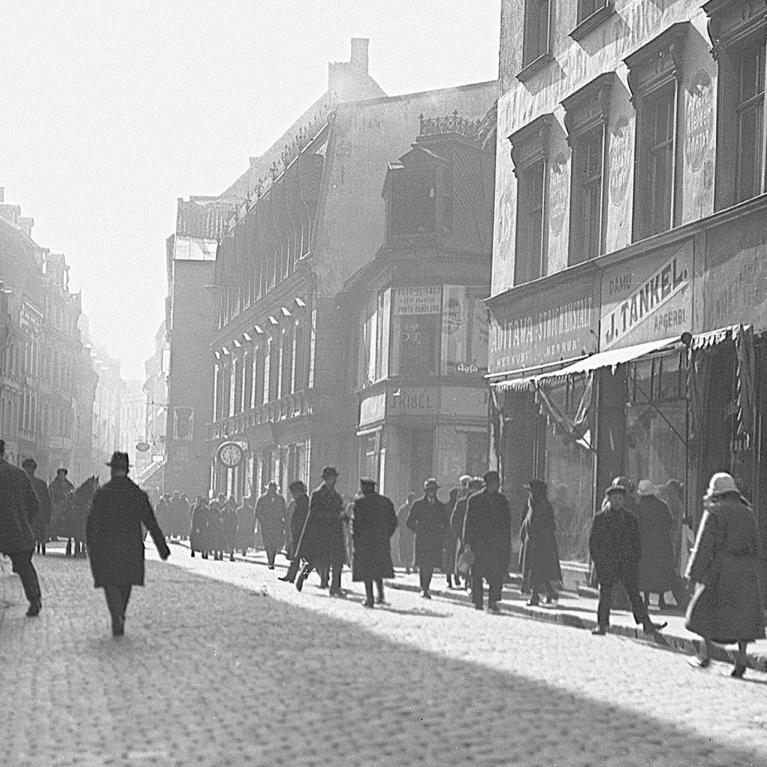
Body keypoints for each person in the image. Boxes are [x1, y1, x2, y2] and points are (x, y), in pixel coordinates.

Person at [685, 472, 764, 677]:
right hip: (745, 571)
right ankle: (741, 659)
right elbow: (757, 546)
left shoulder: (714, 512)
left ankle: (705, 653)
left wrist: (693, 574)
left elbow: (704, 546)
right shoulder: (748, 512)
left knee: (702, 611)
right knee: (744, 618)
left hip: (721, 570)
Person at [85, 452, 170, 637]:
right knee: (125, 583)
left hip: (106, 548)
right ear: (127, 470)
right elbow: (151, 522)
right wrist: (162, 548)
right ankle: (120, 613)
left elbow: (92, 522)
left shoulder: (102, 493)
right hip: (130, 548)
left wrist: (90, 545)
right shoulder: (137, 494)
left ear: (112, 470)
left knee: (110, 583)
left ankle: (117, 615)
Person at [588, 478, 667, 636]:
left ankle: (647, 624)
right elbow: (593, 543)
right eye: (614, 499)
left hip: (626, 564)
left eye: (620, 499)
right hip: (607, 564)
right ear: (608, 500)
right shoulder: (600, 518)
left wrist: (634, 561)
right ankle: (602, 625)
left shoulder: (630, 519)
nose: (617, 502)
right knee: (605, 596)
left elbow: (636, 542)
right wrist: (600, 562)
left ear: (623, 500)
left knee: (634, 596)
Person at [0, 440, 42, 616]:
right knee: (24, 565)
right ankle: (35, 600)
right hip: (17, 530)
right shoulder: (18, 474)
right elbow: (34, 504)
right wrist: (23, 521)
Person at [463, 470, 511, 612]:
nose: (495, 486)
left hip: (496, 544)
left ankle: (493, 601)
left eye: (497, 484)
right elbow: (468, 522)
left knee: (496, 574)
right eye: (492, 484)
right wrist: (467, 542)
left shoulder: (502, 501)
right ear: (487, 484)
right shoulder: (474, 500)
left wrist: (506, 543)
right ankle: (477, 601)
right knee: (477, 573)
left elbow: (506, 524)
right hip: (479, 543)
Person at [297, 467, 346, 596]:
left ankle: (335, 587)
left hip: (334, 533)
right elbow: (313, 512)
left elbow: (339, 510)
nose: (334, 480)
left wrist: (343, 515)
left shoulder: (335, 495)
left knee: (337, 562)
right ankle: (303, 576)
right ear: (326, 479)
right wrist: (332, 515)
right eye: (331, 478)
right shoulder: (317, 493)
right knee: (313, 561)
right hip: (321, 533)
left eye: (335, 478)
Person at [351, 478, 397, 608]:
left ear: (364, 487)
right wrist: (386, 535)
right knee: (379, 569)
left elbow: (356, 525)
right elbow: (393, 522)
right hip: (381, 542)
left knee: (367, 571)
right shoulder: (385, 502)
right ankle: (381, 595)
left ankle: (370, 598)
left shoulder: (359, 503)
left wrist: (356, 540)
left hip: (365, 543)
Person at [635, 480, 678, 611]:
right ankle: (661, 600)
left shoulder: (639, 507)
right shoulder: (662, 505)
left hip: (644, 543)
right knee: (661, 570)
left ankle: (646, 599)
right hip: (661, 543)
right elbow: (670, 524)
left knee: (646, 570)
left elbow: (635, 525)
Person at [519, 479, 561, 606]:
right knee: (539, 570)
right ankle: (550, 592)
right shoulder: (531, 504)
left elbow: (549, 525)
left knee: (537, 570)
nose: (530, 493)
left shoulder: (543, 505)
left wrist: (537, 536)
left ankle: (535, 596)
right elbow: (527, 521)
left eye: (532, 491)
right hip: (531, 541)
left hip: (542, 543)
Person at [407, 478, 449, 599]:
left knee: (430, 565)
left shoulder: (441, 506)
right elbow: (409, 521)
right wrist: (418, 530)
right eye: (430, 490)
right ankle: (423, 587)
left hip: (435, 540)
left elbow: (446, 523)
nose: (432, 493)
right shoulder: (418, 504)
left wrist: (442, 533)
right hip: (422, 539)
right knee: (423, 564)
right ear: (426, 491)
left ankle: (427, 587)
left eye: (434, 490)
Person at [451, 476, 483, 590]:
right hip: (464, 536)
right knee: (463, 558)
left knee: (475, 560)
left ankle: (470, 581)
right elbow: (454, 520)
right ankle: (459, 575)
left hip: (479, 537)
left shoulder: (483, 503)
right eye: (474, 488)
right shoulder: (462, 503)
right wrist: (459, 534)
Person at [280, 480, 310, 583]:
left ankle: (305, 575)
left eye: (293, 493)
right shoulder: (300, 501)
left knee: (308, 560)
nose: (292, 495)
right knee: (297, 558)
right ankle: (291, 576)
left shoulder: (303, 502)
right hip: (298, 534)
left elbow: (301, 520)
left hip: (303, 535)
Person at [444, 475, 470, 589]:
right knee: (453, 556)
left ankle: (461, 576)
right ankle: (453, 576)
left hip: (460, 533)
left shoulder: (467, 499)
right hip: (453, 534)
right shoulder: (458, 500)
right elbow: (452, 519)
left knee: (463, 556)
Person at [22, 458, 53, 556]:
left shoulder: (41, 484)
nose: (29, 470)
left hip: (37, 515)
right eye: (27, 468)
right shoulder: (19, 482)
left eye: (31, 468)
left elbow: (47, 502)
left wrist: (47, 517)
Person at [255, 481, 287, 569]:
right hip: (267, 526)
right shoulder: (262, 499)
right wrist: (263, 521)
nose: (272, 491)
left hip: (277, 525)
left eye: (274, 489)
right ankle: (270, 561)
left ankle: (272, 559)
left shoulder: (280, 499)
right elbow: (257, 512)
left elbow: (284, 511)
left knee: (275, 543)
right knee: (268, 543)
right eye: (271, 489)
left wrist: (283, 522)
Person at [49, 467, 74, 533]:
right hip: (58, 503)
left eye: (64, 475)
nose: (62, 477)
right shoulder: (54, 484)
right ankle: (52, 531)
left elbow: (72, 490)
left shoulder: (68, 484)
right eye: (61, 475)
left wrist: (70, 494)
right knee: (56, 515)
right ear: (58, 475)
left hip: (69, 503)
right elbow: (51, 493)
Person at [396, 492, 416, 574]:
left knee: (406, 549)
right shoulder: (415, 508)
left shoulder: (403, 508)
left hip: (404, 532)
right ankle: (414, 566)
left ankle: (408, 566)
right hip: (412, 532)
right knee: (413, 549)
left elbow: (397, 519)